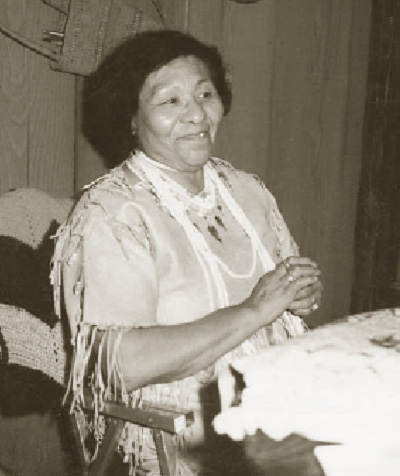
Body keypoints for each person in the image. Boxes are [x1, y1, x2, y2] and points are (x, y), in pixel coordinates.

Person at [51, 29, 322, 476]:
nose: (196, 113)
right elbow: (121, 366)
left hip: (273, 400)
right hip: (182, 431)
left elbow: (284, 300)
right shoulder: (114, 212)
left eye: (205, 93)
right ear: (131, 119)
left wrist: (296, 296)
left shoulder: (246, 191)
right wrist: (256, 310)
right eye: (170, 101)